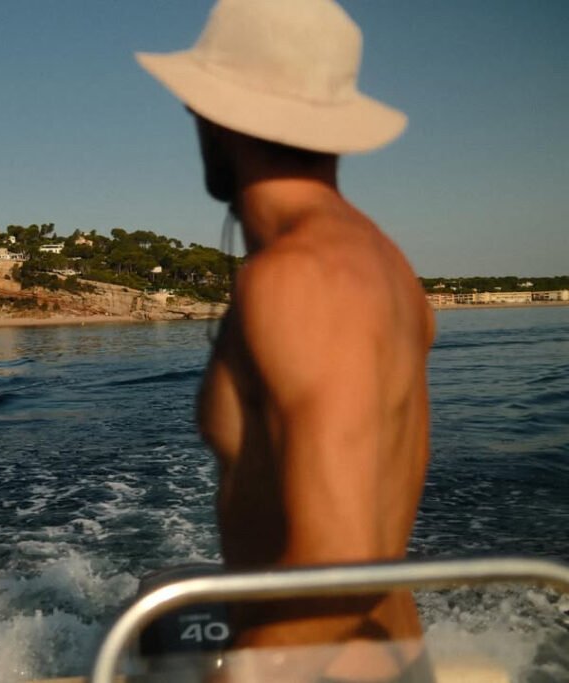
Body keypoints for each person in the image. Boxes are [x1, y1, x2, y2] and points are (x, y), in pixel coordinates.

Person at [136, 1, 435, 681]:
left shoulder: (301, 278)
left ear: (217, 119)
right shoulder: (382, 263)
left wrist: (237, 675)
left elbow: (347, 558)